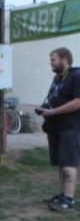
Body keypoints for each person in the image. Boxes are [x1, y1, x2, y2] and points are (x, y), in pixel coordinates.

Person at [36, 47, 80, 212]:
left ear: (64, 59)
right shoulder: (58, 78)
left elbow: (78, 102)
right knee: (61, 163)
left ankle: (69, 200)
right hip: (56, 127)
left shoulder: (76, 76)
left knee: (68, 164)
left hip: (70, 128)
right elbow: (55, 98)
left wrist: (53, 111)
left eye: (53, 60)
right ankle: (63, 195)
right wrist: (45, 109)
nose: (51, 63)